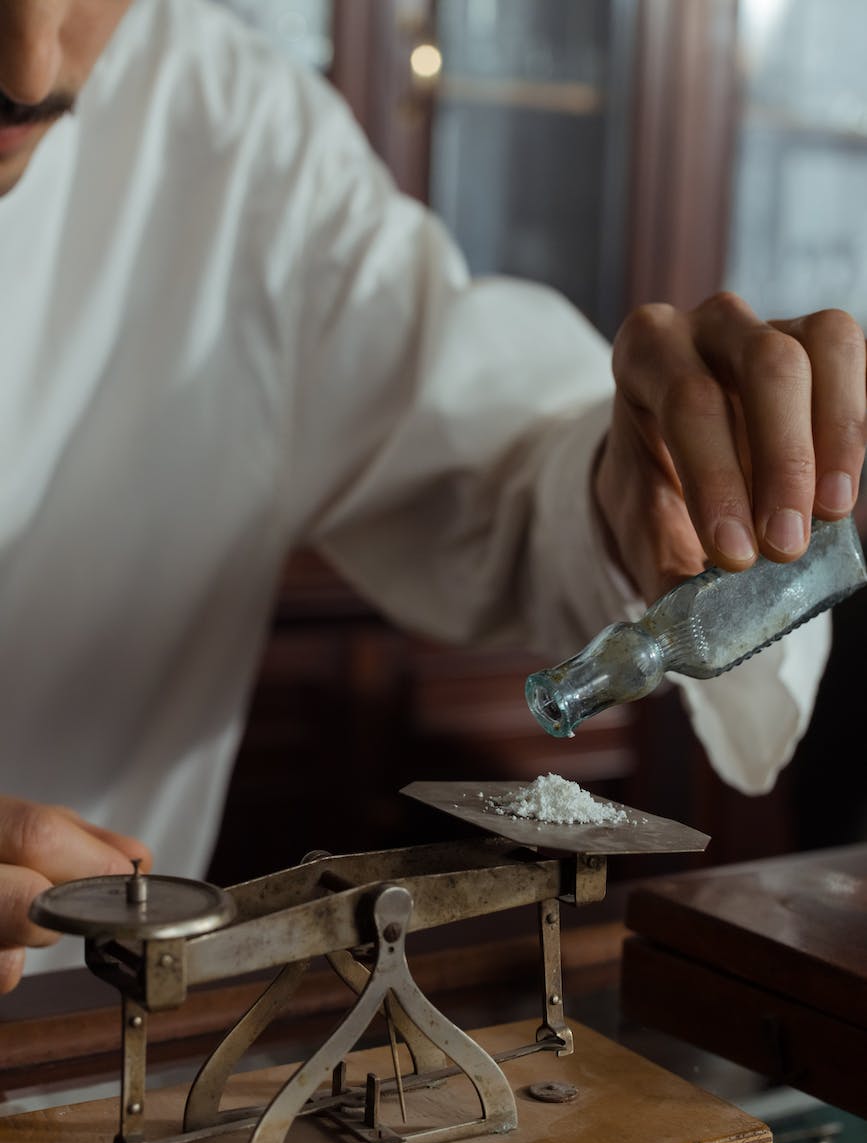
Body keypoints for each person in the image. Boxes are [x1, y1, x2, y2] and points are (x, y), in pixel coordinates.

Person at [0, 0, 863, 995]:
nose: (29, 66)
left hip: (85, 1021)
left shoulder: (232, 133)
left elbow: (491, 459)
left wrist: (630, 495)